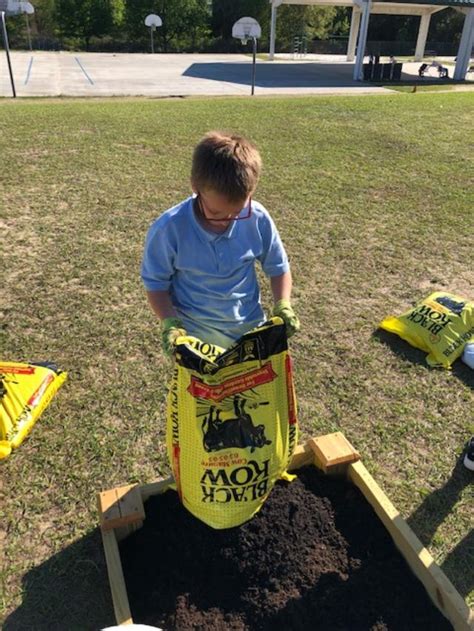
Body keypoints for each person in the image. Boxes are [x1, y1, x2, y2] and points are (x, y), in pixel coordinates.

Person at [141, 131, 300, 355]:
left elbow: (278, 267)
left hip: (251, 335)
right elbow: (156, 284)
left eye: (237, 212)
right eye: (216, 211)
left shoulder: (257, 217)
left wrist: (283, 304)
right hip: (195, 344)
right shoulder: (169, 229)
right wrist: (170, 324)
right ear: (195, 187)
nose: (227, 220)